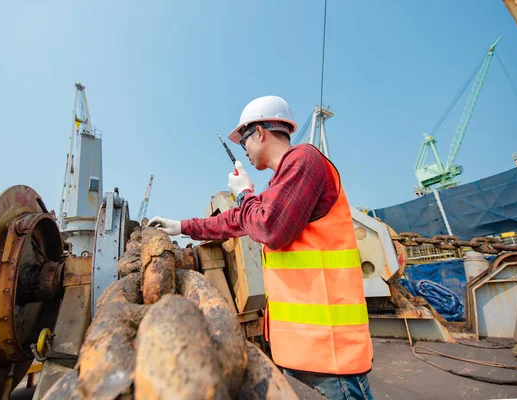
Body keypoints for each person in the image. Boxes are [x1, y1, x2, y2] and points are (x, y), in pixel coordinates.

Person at [148, 95, 374, 400]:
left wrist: (244, 194)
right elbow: (239, 221)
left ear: (259, 133)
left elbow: (269, 228)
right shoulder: (281, 184)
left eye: (245, 144)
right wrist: (182, 226)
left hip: (332, 352)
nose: (246, 152)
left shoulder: (305, 160)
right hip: (305, 350)